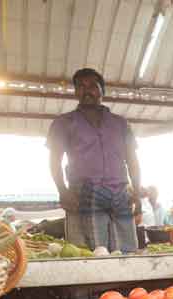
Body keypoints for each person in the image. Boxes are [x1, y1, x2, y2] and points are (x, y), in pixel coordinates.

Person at [48, 67, 143, 252]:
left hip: (120, 194)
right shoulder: (63, 123)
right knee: (93, 253)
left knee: (126, 251)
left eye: (93, 85)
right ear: (76, 92)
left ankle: (128, 282)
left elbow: (132, 160)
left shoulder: (120, 123)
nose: (87, 90)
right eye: (81, 86)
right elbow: (54, 161)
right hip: (84, 193)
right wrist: (62, 191)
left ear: (102, 91)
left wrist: (137, 193)